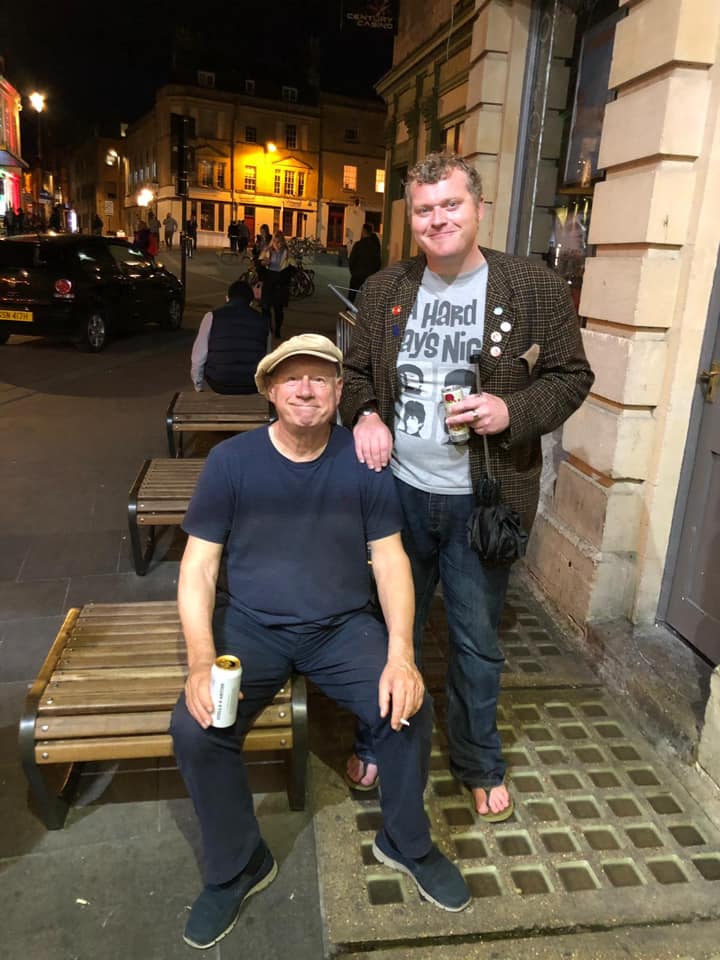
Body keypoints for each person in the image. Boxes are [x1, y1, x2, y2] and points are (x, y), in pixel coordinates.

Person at [170, 334, 470, 949]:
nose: (305, 390)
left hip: (341, 628)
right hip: (252, 626)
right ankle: (238, 864)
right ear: (270, 390)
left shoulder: (362, 463)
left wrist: (402, 654)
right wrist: (200, 662)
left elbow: (391, 561)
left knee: (407, 708)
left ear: (337, 391)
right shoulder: (231, 462)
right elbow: (198, 567)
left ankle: (405, 842)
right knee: (196, 729)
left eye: (319, 379)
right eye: (291, 378)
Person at [339, 152, 594, 819]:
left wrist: (513, 411)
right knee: (387, 627)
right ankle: (377, 737)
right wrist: (365, 414)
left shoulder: (532, 286)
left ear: (479, 207)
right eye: (424, 209)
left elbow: (572, 375)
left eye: (451, 204)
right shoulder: (385, 290)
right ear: (412, 218)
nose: (438, 219)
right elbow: (356, 373)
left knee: (476, 642)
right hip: (398, 495)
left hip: (485, 500)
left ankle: (477, 758)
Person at [190, 279, 268, 394]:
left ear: (227, 298)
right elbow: (267, 358)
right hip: (252, 383)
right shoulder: (262, 320)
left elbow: (198, 357)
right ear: (251, 302)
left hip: (219, 382)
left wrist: (198, 385)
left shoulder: (212, 316)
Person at [259, 230, 291, 338]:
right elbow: (259, 264)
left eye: (280, 242)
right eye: (276, 242)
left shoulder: (287, 252)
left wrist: (286, 274)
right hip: (269, 280)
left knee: (278, 309)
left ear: (283, 242)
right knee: (265, 307)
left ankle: (278, 330)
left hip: (280, 283)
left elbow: (292, 268)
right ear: (272, 242)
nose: (278, 244)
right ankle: (268, 327)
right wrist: (264, 263)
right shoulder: (267, 250)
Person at [348, 222, 382, 302]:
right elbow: (378, 262)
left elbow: (352, 260)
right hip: (370, 276)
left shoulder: (358, 244)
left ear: (364, 231)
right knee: (368, 298)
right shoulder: (375, 245)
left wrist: (353, 272)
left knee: (352, 295)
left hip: (357, 274)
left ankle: (349, 308)